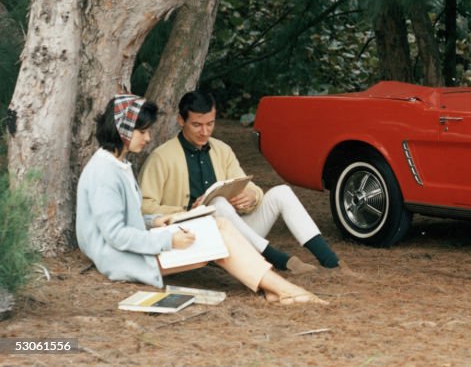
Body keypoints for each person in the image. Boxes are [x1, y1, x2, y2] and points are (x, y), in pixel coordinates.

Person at [76, 94, 324, 305]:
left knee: (221, 226)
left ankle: (275, 289)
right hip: (123, 257)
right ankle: (284, 290)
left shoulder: (119, 164)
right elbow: (115, 235)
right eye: (142, 131)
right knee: (218, 234)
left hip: (142, 243)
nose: (148, 138)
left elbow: (131, 219)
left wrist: (156, 221)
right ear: (123, 131)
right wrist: (168, 238)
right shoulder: (104, 172)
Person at [139, 90, 339, 274]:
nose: (205, 132)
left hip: (236, 234)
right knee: (218, 204)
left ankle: (330, 261)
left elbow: (247, 186)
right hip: (193, 238)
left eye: (210, 124)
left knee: (281, 193)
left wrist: (250, 196)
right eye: (197, 125)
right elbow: (144, 207)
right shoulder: (161, 157)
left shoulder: (222, 150)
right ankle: (276, 258)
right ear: (181, 121)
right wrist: (186, 210)